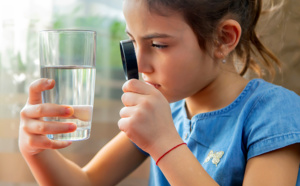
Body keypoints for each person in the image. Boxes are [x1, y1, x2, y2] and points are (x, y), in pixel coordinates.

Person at [19, 0, 300, 185]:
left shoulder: (275, 113)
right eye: (132, 42)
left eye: (158, 45)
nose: (139, 64)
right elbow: (86, 182)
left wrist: (165, 143)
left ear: (223, 38)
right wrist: (35, 150)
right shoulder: (169, 114)